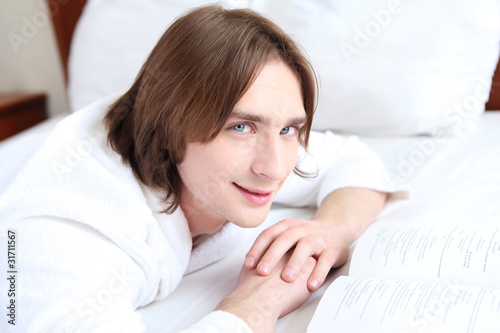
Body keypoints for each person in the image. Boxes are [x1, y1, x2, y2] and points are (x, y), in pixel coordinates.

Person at [0, 5, 405, 333]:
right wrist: (253, 306)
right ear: (167, 129)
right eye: (240, 127)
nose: (276, 167)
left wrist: (331, 228)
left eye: (288, 129)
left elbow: (355, 161)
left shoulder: (256, 146)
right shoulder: (61, 232)